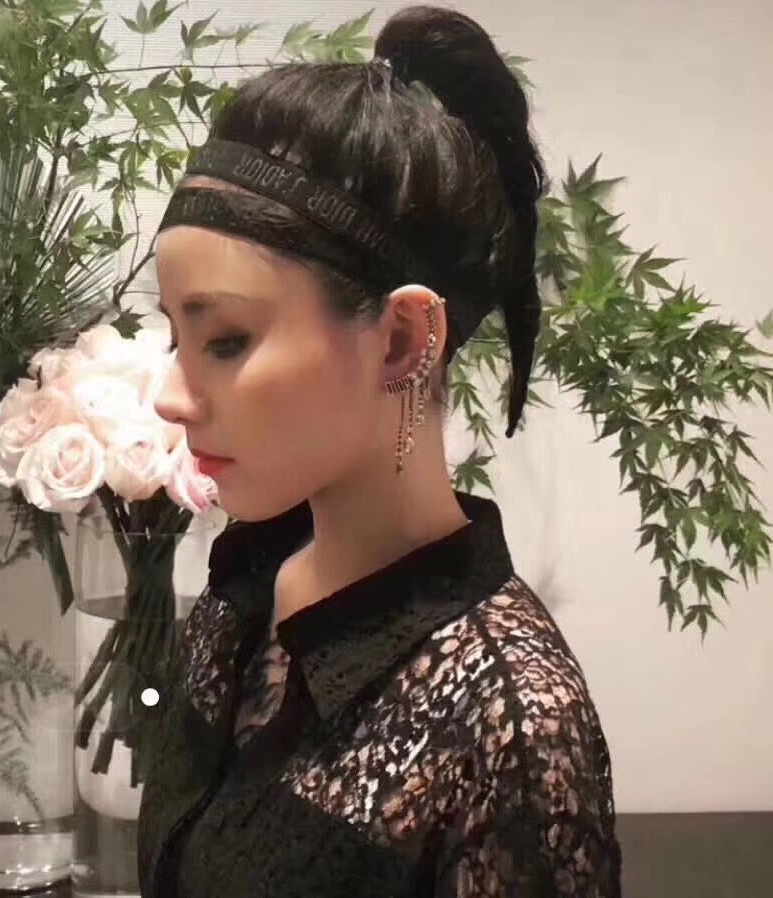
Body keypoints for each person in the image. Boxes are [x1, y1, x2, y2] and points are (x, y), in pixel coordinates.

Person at [139, 5, 621, 896]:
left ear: (402, 340)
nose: (168, 394)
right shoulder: (243, 592)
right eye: (175, 334)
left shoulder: (508, 720)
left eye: (226, 340)